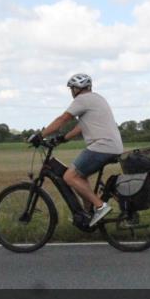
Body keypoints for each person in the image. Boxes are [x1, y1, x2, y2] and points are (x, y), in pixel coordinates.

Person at [31, 73, 124, 226]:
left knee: (69, 177)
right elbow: (81, 126)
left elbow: (62, 119)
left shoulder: (82, 100)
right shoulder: (97, 98)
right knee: (80, 177)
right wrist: (62, 138)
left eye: (71, 89)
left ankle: (100, 206)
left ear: (76, 89)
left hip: (102, 146)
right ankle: (88, 214)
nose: (71, 92)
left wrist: (40, 135)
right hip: (112, 146)